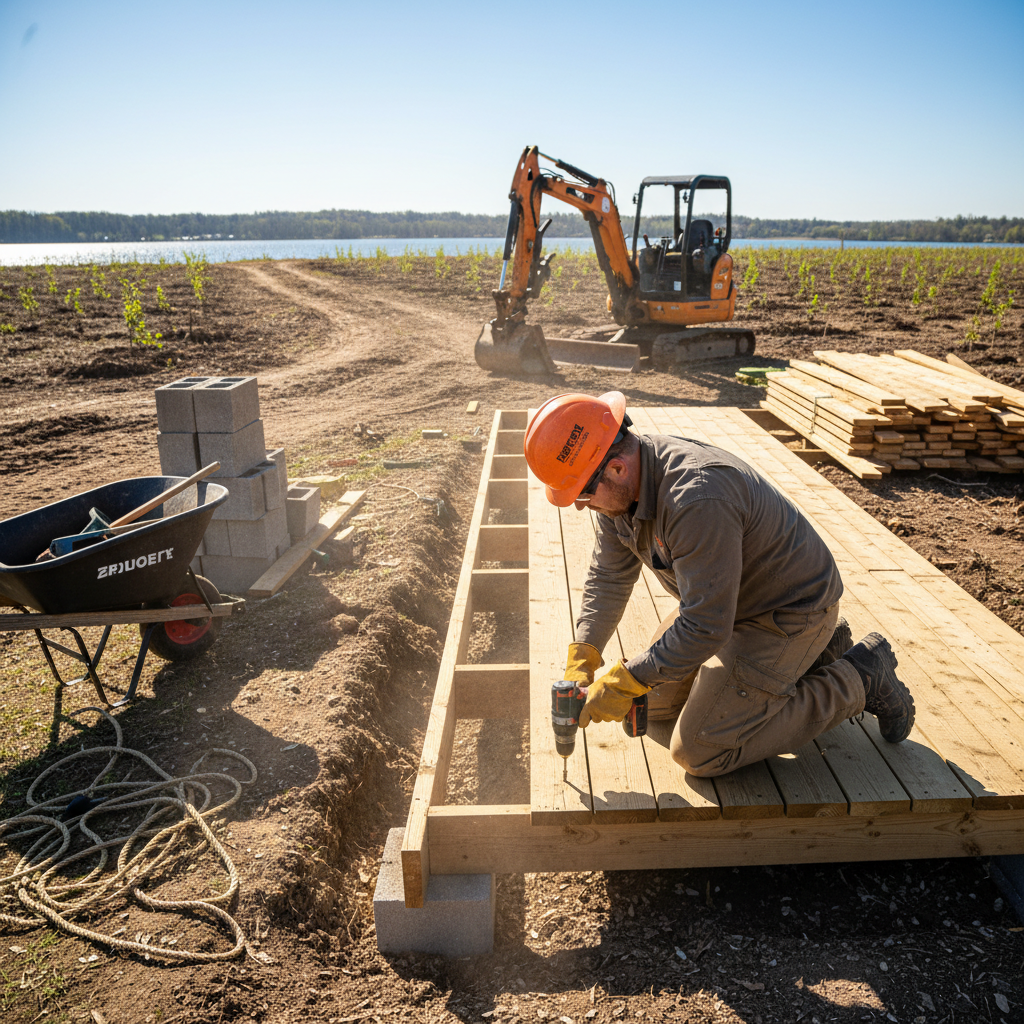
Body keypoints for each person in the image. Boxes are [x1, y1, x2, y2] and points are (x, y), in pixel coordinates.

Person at [523, 390, 915, 778]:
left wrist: (628, 678)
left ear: (617, 469)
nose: (579, 504)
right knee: (652, 706)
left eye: (583, 493)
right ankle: (818, 654)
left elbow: (706, 626)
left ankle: (859, 676)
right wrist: (584, 653)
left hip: (785, 612)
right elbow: (608, 575)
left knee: (699, 750)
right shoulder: (618, 490)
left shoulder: (695, 497)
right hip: (724, 604)